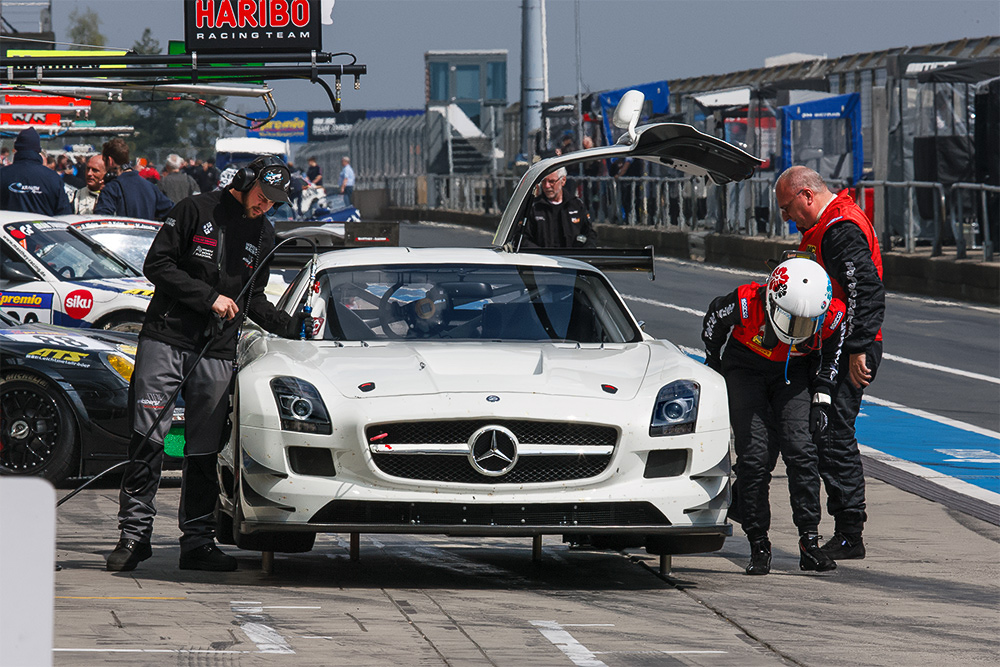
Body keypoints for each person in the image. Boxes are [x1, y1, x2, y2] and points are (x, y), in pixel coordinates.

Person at [107, 155, 313, 573]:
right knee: (148, 438)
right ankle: (133, 536)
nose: (265, 206)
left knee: (204, 448)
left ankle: (197, 542)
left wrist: (290, 326)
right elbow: (157, 265)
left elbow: (252, 298)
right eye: (262, 196)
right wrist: (208, 298)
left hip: (218, 350)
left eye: (274, 201)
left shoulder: (264, 231)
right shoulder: (193, 209)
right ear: (245, 181)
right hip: (165, 338)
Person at [703, 256, 845, 575]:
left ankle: (810, 542)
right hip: (746, 367)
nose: (798, 329)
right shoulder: (744, 302)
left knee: (802, 453)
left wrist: (822, 395)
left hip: (794, 374)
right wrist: (714, 365)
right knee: (753, 458)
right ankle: (758, 543)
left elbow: (834, 353)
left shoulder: (834, 315)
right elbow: (713, 321)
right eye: (791, 319)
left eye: (807, 322)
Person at [775, 166, 885, 561]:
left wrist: (857, 348)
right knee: (822, 431)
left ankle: (850, 533)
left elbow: (866, 291)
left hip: (850, 346)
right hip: (834, 342)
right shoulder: (828, 224)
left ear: (807, 195)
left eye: (788, 208)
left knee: (834, 433)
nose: (787, 218)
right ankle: (845, 527)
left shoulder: (840, 229)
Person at [94, 138, 174, 219]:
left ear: (110, 161)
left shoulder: (111, 189)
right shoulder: (151, 188)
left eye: (104, 161)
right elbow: (172, 212)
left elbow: (101, 220)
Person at [0, 127, 72, 215]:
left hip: (8, 227)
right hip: (44, 227)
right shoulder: (53, 178)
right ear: (38, 149)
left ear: (16, 148)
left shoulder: (3, 174)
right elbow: (65, 214)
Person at [520, 167, 596, 248]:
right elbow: (522, 238)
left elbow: (590, 235)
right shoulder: (533, 208)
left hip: (571, 258)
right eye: (544, 181)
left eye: (551, 181)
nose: (547, 186)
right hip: (543, 258)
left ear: (563, 180)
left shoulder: (576, 205)